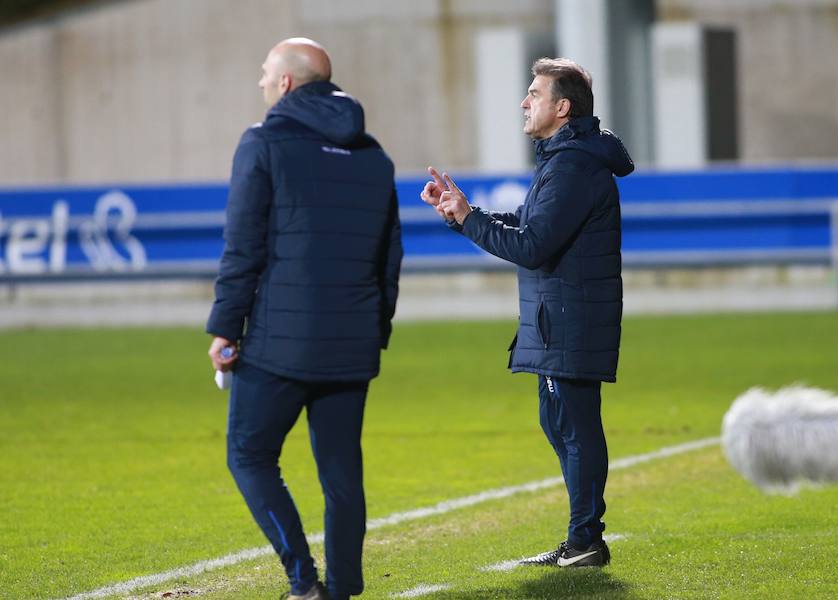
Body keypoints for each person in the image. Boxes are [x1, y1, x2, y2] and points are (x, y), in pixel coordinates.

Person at [207, 37, 402, 600]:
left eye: (266, 73)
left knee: (249, 453)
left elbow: (242, 248)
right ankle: (341, 590)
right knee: (341, 474)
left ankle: (303, 581)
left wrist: (225, 327)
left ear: (287, 83)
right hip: (351, 343)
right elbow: (389, 256)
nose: (262, 83)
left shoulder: (263, 144)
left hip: (279, 344)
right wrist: (375, 330)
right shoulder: (373, 155)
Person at [420, 57, 633, 568]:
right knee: (560, 424)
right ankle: (583, 536)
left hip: (569, 318)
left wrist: (470, 220)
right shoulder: (566, 159)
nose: (524, 100)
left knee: (574, 428)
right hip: (557, 317)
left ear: (562, 107)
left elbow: (533, 244)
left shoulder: (575, 163)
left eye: (534, 93)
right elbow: (530, 222)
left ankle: (586, 540)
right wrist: (463, 213)